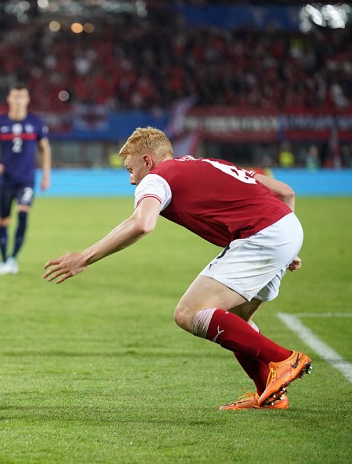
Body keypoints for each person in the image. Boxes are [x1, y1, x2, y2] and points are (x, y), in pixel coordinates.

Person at [43, 127, 311, 410]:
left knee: (188, 313)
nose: (131, 180)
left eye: (130, 169)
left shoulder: (156, 178)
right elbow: (285, 192)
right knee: (236, 319)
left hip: (263, 235)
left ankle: (281, 358)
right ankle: (269, 393)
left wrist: (84, 257)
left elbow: (142, 223)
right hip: (283, 229)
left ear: (147, 161)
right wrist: (286, 245)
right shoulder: (207, 162)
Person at [0, 82, 52, 275]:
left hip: (26, 179)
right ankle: (3, 261)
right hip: (5, 180)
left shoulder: (35, 122)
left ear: (27, 99)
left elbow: (45, 149)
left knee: (23, 212)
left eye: (22, 97)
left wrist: (46, 175)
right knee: (3, 221)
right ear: (9, 99)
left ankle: (13, 259)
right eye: (15, 97)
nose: (18, 100)